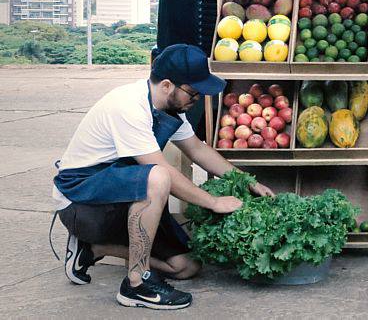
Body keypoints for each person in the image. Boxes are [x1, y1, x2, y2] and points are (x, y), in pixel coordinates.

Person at [52, 44, 274, 310]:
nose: (197, 98)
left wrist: (248, 181)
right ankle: (136, 284)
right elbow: (160, 172)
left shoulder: (172, 111)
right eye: (193, 92)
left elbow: (198, 150)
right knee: (157, 176)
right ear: (168, 85)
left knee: (186, 266)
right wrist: (213, 202)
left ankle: (93, 249)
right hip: (83, 200)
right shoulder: (128, 106)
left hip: (122, 196)